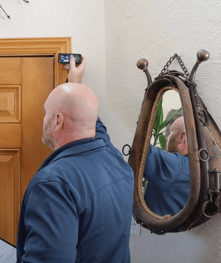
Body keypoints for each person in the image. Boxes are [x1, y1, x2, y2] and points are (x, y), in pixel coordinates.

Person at [16, 56, 134, 263]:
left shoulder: (53, 185)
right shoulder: (113, 156)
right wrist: (74, 82)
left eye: (46, 113)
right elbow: (90, 120)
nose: (43, 118)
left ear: (58, 121)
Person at [143, 116, 190, 216]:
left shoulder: (177, 165)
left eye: (171, 131)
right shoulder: (196, 168)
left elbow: (139, 150)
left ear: (182, 137)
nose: (167, 137)